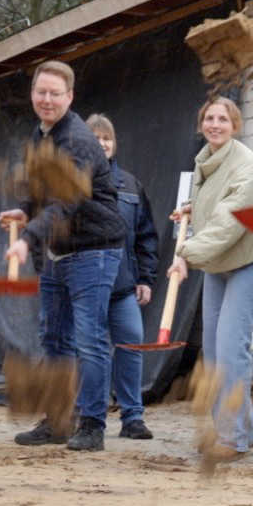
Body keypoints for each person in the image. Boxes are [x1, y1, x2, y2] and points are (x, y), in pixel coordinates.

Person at [2, 60, 127, 452]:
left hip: (93, 250)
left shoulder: (76, 140)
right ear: (33, 94)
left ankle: (92, 425)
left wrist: (27, 237)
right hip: (58, 251)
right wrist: (25, 209)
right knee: (54, 337)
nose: (47, 99)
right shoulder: (42, 134)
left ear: (69, 97)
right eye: (41, 92)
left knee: (88, 339)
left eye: (55, 93)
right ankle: (58, 419)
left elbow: (65, 202)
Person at [167, 97, 253, 461]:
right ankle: (245, 431)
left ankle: (231, 437)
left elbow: (229, 221)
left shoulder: (246, 164)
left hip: (251, 259)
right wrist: (192, 209)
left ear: (236, 125)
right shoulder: (206, 159)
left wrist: (185, 253)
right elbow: (215, 207)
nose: (215, 124)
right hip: (221, 261)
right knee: (216, 350)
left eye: (223, 119)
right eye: (209, 118)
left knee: (232, 347)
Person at [86, 114, 158, 440]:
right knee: (93, 351)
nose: (102, 144)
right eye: (95, 138)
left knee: (131, 343)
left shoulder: (130, 185)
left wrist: (145, 278)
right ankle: (92, 416)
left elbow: (146, 236)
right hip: (86, 285)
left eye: (107, 139)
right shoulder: (72, 183)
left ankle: (133, 417)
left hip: (123, 284)